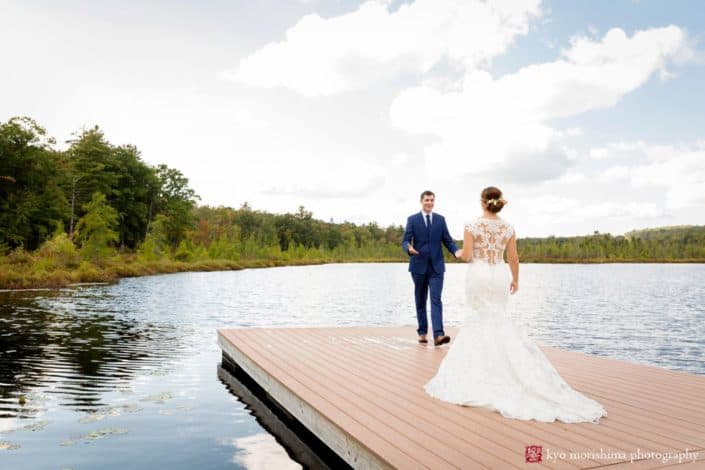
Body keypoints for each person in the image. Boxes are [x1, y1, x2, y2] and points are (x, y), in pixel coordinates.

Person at [424, 186, 608, 423]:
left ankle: (480, 375)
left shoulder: (472, 225)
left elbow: (468, 255)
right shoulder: (508, 227)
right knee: (498, 318)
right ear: (498, 203)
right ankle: (508, 371)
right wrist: (516, 279)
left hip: (479, 275)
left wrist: (458, 253)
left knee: (478, 319)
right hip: (500, 274)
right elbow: (513, 257)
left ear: (482, 203)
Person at [402, 190, 462, 346]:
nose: (429, 202)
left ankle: (438, 335)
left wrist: (456, 251)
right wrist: (409, 248)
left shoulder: (440, 220)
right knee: (420, 300)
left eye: (432, 200)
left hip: (437, 267)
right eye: (427, 200)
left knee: (436, 299)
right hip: (418, 266)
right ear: (421, 201)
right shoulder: (412, 220)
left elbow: (448, 240)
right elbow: (405, 240)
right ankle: (422, 332)